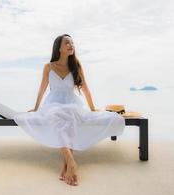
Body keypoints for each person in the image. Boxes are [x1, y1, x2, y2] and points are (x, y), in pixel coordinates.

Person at [12, 34, 125, 186]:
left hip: (72, 103)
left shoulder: (76, 66)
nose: (71, 45)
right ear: (59, 47)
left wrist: (92, 108)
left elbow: (86, 90)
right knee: (56, 115)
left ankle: (67, 164)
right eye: (67, 43)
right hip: (52, 103)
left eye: (72, 43)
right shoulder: (49, 67)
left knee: (71, 115)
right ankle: (71, 162)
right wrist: (36, 108)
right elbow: (42, 90)